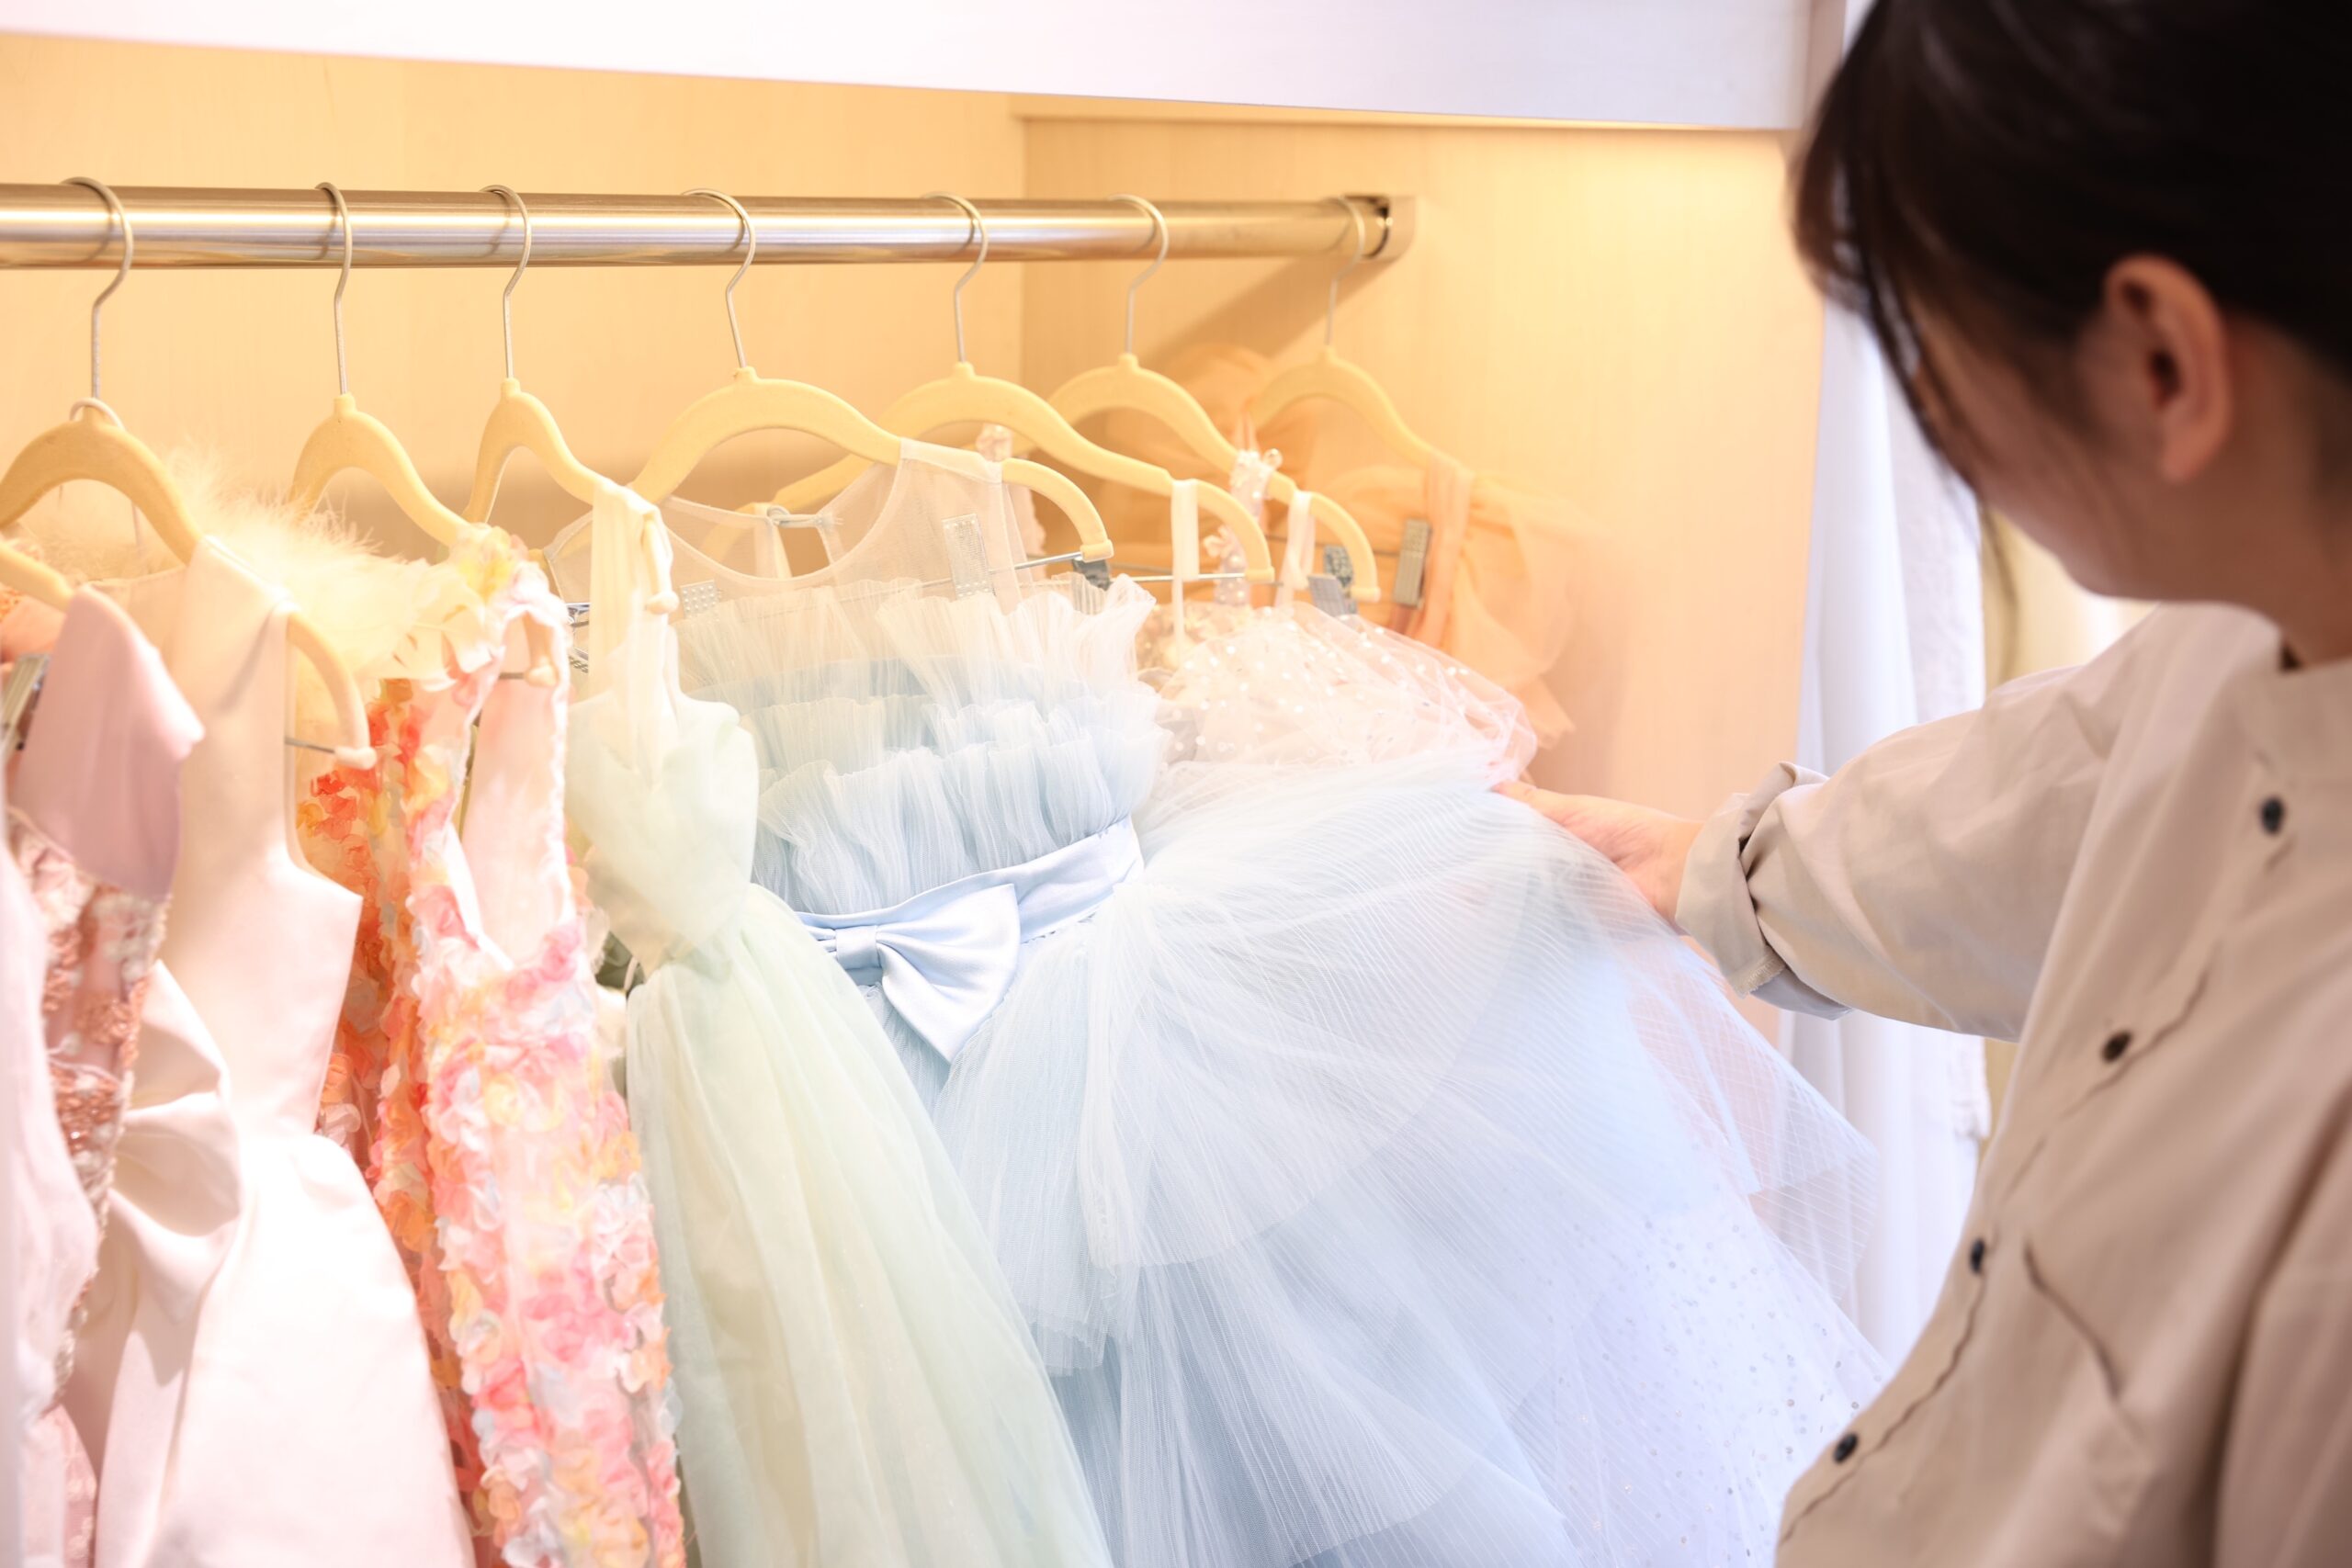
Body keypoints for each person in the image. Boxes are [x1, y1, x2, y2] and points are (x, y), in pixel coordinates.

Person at [1505, 2, 2352, 1564]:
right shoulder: (2247, 644)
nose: (1935, 420)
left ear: (2163, 362)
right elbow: (2022, 809)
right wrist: (1690, 865)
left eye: (1932, 344)